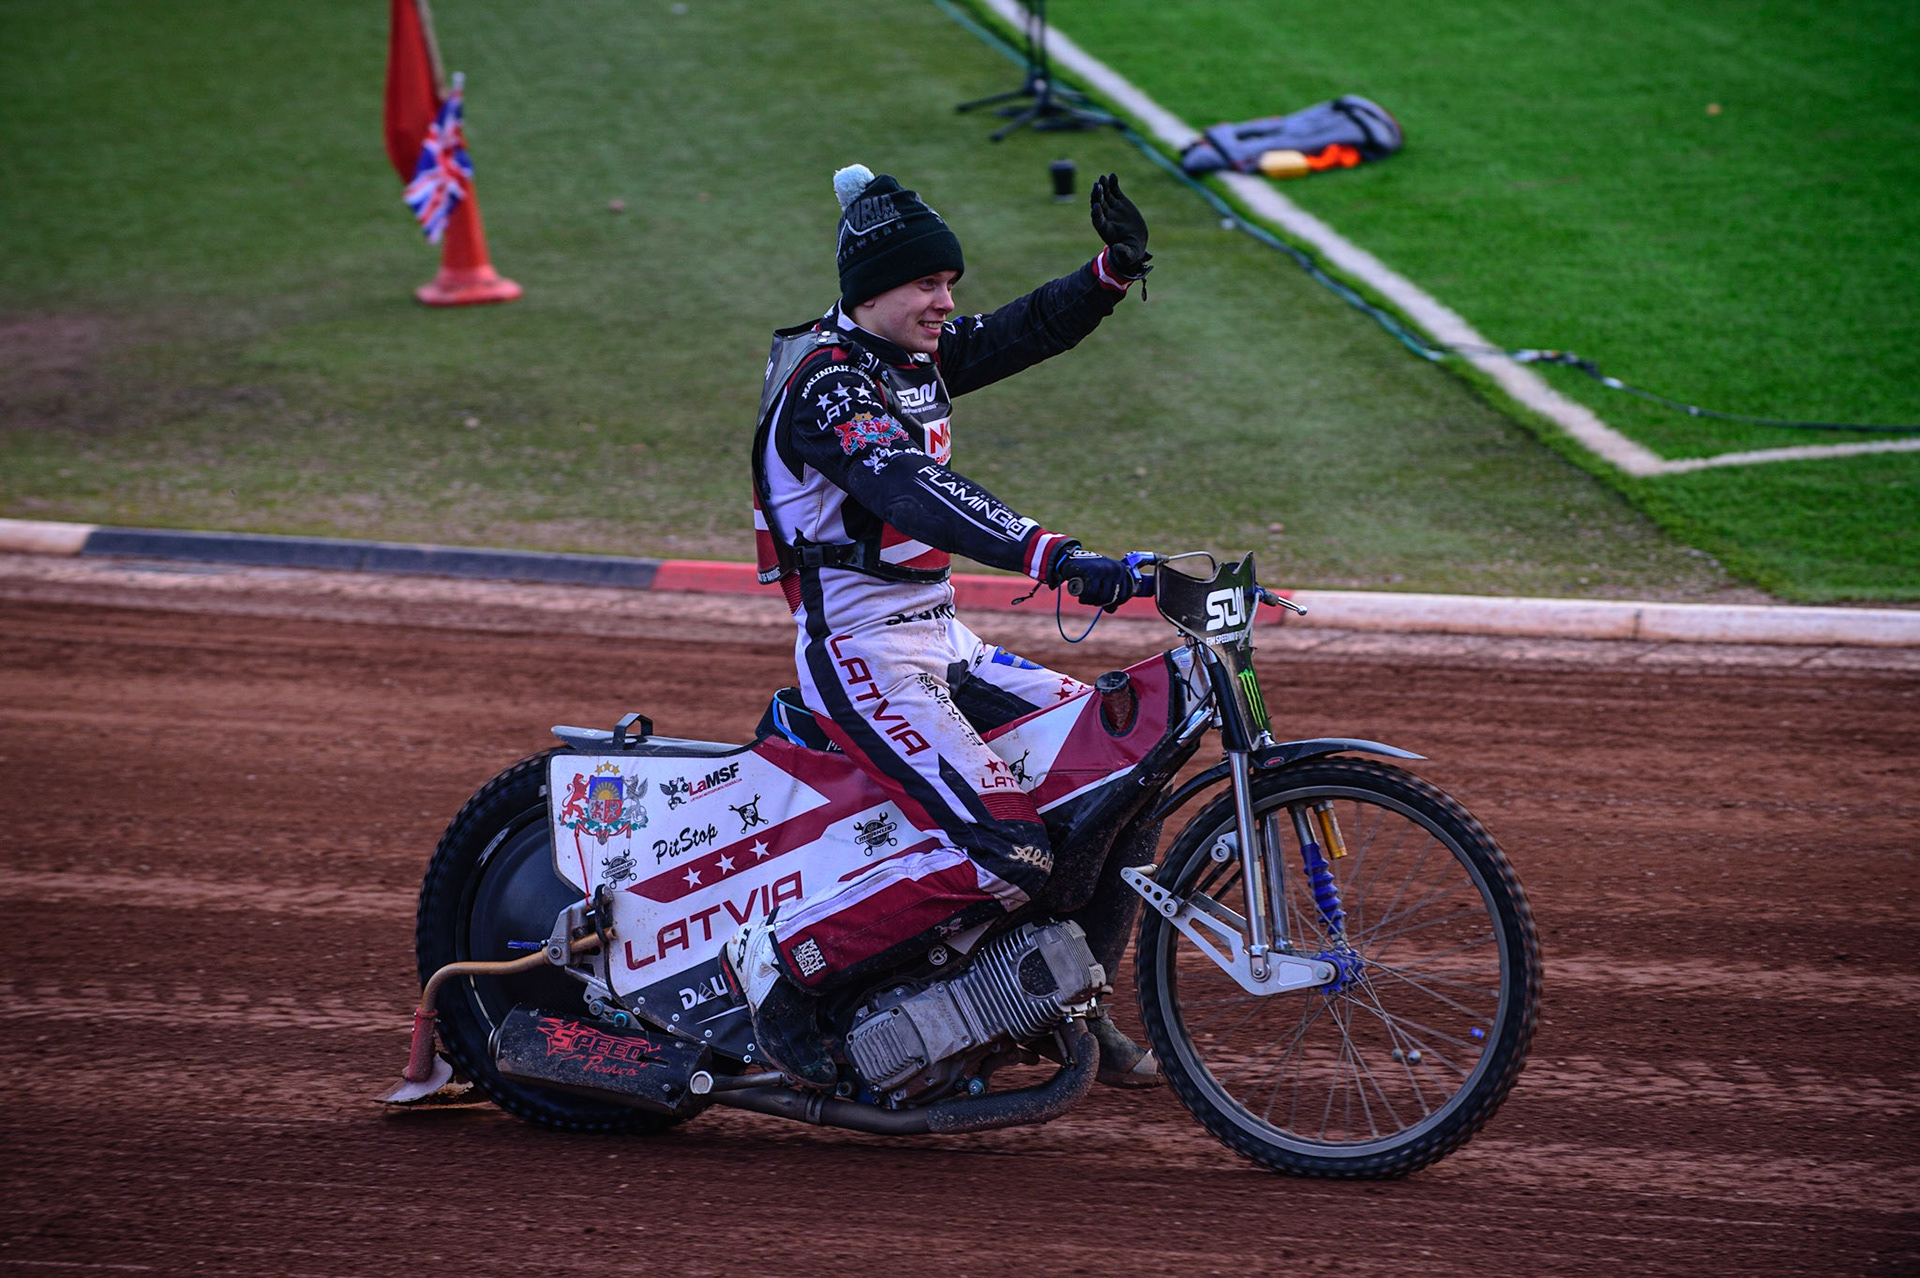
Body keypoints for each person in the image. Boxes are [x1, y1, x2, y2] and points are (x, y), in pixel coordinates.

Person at [724, 163, 1158, 1090]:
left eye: (949, 284)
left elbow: (1019, 332)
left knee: (1123, 782)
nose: (945, 301)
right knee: (1013, 850)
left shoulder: (907, 355)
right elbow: (909, 491)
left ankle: (1066, 1000)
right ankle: (788, 986)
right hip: (860, 651)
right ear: (871, 289)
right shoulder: (827, 388)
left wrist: (1108, 276)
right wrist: (1052, 554)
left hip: (940, 638)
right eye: (929, 283)